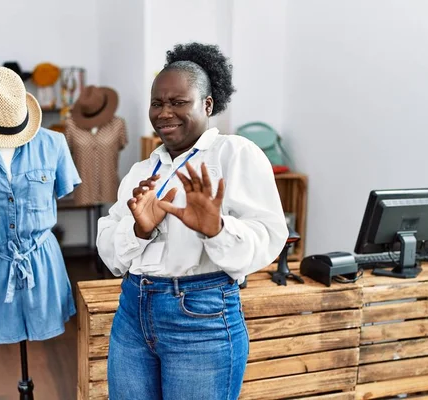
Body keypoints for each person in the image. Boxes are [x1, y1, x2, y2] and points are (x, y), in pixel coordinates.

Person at [96, 42, 288, 400]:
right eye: (158, 102)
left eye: (178, 102)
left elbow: (268, 239)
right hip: (132, 315)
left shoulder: (234, 154)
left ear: (207, 104)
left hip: (201, 319)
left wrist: (215, 229)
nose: (164, 112)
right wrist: (140, 228)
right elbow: (109, 251)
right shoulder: (142, 170)